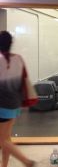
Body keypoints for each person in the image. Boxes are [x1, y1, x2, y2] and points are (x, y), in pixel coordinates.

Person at [0, 31, 36, 167]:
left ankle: (26, 161)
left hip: (2, 105)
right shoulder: (18, 58)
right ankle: (4, 165)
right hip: (15, 104)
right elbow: (24, 79)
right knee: (6, 138)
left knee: (3, 140)